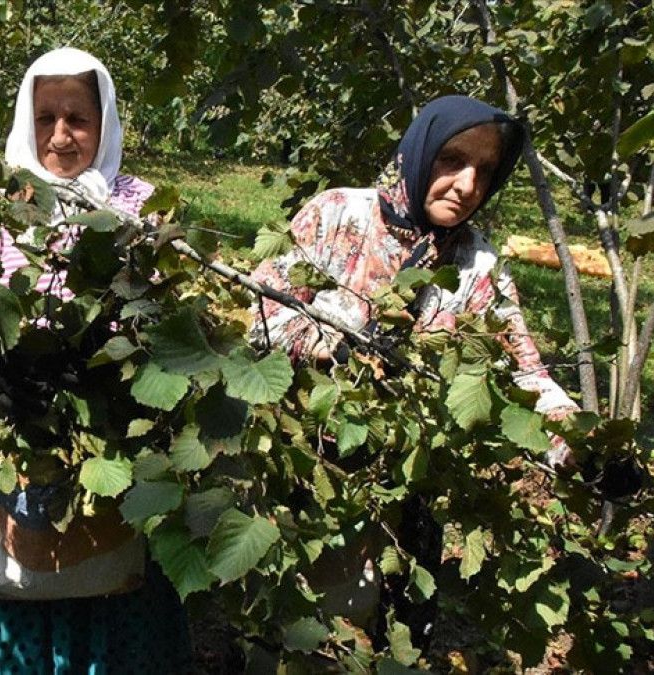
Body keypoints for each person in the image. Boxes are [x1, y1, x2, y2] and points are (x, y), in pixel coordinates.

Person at [245, 95, 580, 649]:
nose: (467, 185)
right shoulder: (338, 215)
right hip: (302, 468)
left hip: (404, 485)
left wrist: (580, 447)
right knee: (291, 628)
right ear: (420, 151)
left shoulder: (477, 266)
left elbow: (524, 375)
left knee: (385, 634)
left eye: (485, 171)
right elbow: (261, 318)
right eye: (453, 160)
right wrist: (338, 347)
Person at [0, 47, 193, 674]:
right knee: (17, 561)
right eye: (45, 117)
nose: (60, 135)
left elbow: (175, 299)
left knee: (111, 561)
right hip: (14, 411)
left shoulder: (140, 206)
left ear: (104, 123)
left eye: (77, 118)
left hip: (113, 421)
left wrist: (107, 356)